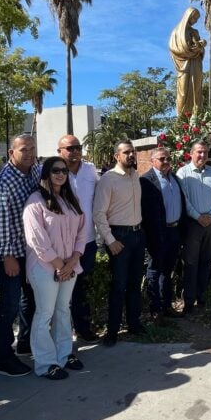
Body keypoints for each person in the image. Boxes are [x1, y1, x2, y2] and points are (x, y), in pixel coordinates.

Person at [23, 157, 87, 379]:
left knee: (63, 310)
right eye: (55, 170)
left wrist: (72, 262)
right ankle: (45, 363)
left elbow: (82, 231)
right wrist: (60, 266)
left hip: (69, 265)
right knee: (45, 314)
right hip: (44, 267)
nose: (60, 174)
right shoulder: (35, 202)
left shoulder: (71, 200)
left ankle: (64, 354)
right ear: (46, 174)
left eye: (64, 170)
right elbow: (36, 239)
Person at [0, 134, 40, 377]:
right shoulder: (3, 182)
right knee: (8, 305)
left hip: (31, 252)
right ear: (11, 153)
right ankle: (4, 357)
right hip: (13, 254)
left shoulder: (34, 172)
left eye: (31, 148)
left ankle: (25, 344)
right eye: (23, 149)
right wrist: (6, 256)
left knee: (29, 300)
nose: (28, 153)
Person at [92, 140, 145, 345]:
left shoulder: (135, 176)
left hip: (137, 235)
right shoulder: (109, 179)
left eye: (133, 152)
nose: (131, 155)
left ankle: (134, 324)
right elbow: (98, 213)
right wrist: (110, 240)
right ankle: (112, 331)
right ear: (117, 156)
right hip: (119, 238)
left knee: (134, 283)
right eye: (126, 152)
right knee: (118, 286)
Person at [57, 134, 99, 341]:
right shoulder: (53, 173)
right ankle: (62, 332)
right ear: (60, 151)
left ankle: (82, 328)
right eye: (70, 148)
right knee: (62, 289)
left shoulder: (90, 170)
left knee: (81, 287)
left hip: (88, 241)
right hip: (63, 245)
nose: (75, 152)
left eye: (78, 147)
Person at [176, 140, 211, 313]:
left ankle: (202, 297)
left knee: (206, 261)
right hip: (192, 224)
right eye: (199, 152)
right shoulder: (183, 173)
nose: (202, 155)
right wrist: (198, 216)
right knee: (190, 262)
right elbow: (184, 200)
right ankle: (189, 301)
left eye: (205, 152)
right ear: (191, 153)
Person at [140, 147, 184, 321]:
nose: (166, 162)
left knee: (168, 270)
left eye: (168, 158)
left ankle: (166, 306)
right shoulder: (146, 181)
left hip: (174, 231)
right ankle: (155, 309)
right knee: (155, 270)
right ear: (153, 161)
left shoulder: (174, 179)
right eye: (161, 159)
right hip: (157, 233)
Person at [168, 6, 207, 117]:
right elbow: (174, 48)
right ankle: (181, 121)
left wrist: (201, 46)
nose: (195, 21)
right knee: (183, 92)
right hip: (184, 66)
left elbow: (199, 48)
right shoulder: (177, 32)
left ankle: (197, 120)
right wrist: (190, 50)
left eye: (197, 19)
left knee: (197, 91)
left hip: (195, 64)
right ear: (188, 16)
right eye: (194, 18)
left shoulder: (195, 32)